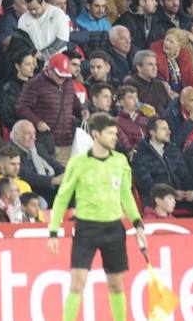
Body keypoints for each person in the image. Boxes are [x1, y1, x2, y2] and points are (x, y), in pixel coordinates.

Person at [48, 112, 146, 321]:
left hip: (114, 229)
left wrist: (138, 224)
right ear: (95, 134)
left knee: (117, 285)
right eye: (110, 133)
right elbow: (62, 197)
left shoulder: (120, 161)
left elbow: (126, 195)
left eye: (115, 133)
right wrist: (53, 231)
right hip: (86, 229)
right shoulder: (78, 162)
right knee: (77, 283)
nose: (114, 137)